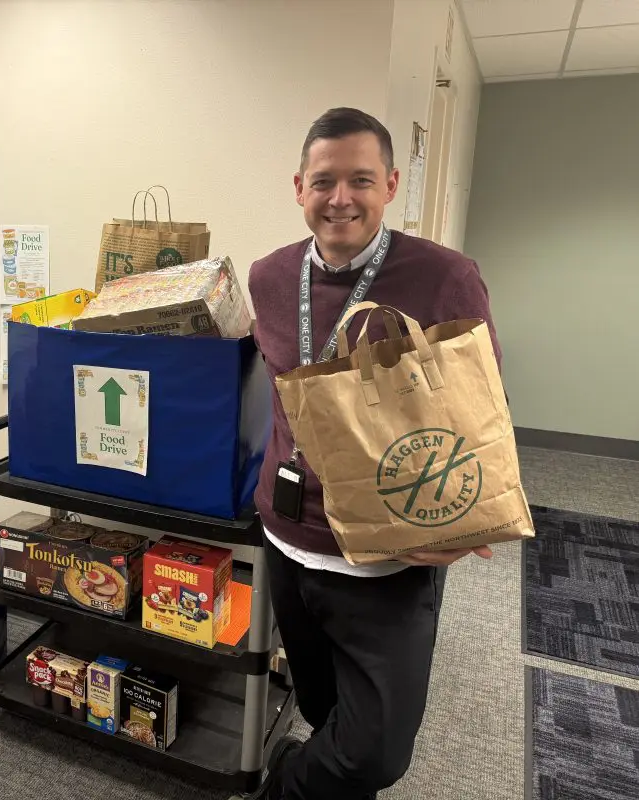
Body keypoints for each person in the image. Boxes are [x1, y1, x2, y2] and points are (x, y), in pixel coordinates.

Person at [246, 108, 501, 799]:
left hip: (391, 553)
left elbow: (481, 411)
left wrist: (461, 526)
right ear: (298, 186)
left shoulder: (443, 276)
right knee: (326, 712)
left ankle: (280, 789)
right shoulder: (268, 277)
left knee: (374, 753)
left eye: (360, 179)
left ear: (389, 185)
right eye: (323, 181)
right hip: (289, 536)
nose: (340, 198)